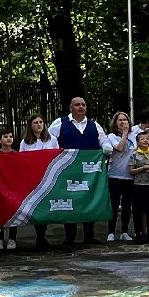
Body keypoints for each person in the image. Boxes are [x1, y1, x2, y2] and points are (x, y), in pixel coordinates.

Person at [48, 97, 105, 246]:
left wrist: (108, 149)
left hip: (89, 172)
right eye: (77, 105)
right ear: (71, 107)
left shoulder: (95, 125)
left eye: (83, 105)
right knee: (70, 200)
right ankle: (70, 236)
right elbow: (50, 142)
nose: (80, 107)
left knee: (88, 200)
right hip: (68, 170)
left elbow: (104, 143)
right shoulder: (59, 123)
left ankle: (89, 235)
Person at [18, 113, 59, 250]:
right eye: (35, 122)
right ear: (30, 125)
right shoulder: (25, 142)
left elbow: (57, 155)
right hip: (33, 178)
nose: (39, 125)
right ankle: (39, 235)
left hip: (48, 177)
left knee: (46, 206)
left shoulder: (51, 139)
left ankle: (42, 235)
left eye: (41, 122)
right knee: (36, 206)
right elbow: (21, 160)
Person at [102, 112, 137, 242]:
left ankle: (124, 231)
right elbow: (120, 148)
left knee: (127, 205)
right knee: (114, 205)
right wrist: (124, 134)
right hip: (115, 175)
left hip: (129, 176)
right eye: (120, 120)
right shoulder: (111, 136)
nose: (123, 122)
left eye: (125, 120)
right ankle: (111, 231)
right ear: (115, 123)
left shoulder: (134, 136)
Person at [128, 130, 149, 244]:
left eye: (147, 139)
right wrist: (142, 168)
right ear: (138, 142)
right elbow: (131, 171)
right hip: (138, 186)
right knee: (137, 211)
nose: (145, 140)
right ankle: (138, 235)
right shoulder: (134, 154)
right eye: (142, 139)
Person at [0, 128, 20, 250]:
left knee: (13, 213)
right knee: (0, 215)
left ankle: (12, 239)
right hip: (0, 189)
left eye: (10, 136)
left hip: (13, 189)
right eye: (5, 136)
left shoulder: (17, 155)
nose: (9, 138)